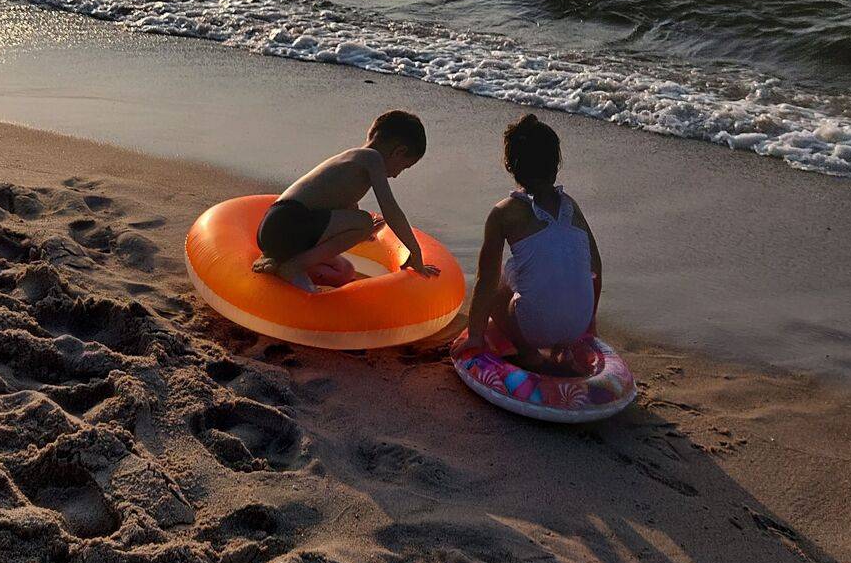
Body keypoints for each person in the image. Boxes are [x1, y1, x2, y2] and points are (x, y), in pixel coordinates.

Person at [465, 114, 602, 371]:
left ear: (510, 165)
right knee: (557, 267)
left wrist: (475, 336)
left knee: (499, 282)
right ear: (556, 164)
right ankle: (563, 348)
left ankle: (529, 354)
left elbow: (486, 281)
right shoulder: (572, 206)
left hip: (534, 330)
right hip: (577, 326)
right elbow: (596, 267)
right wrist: (589, 324)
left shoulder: (503, 213)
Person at [253, 110, 439, 291]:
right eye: (404, 167)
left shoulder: (352, 162)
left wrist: (365, 234)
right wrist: (415, 252)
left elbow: (338, 212)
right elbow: (391, 209)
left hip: (275, 228)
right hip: (287, 222)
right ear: (399, 152)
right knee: (364, 221)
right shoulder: (372, 158)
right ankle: (294, 267)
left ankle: (279, 260)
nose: (397, 175)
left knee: (345, 268)